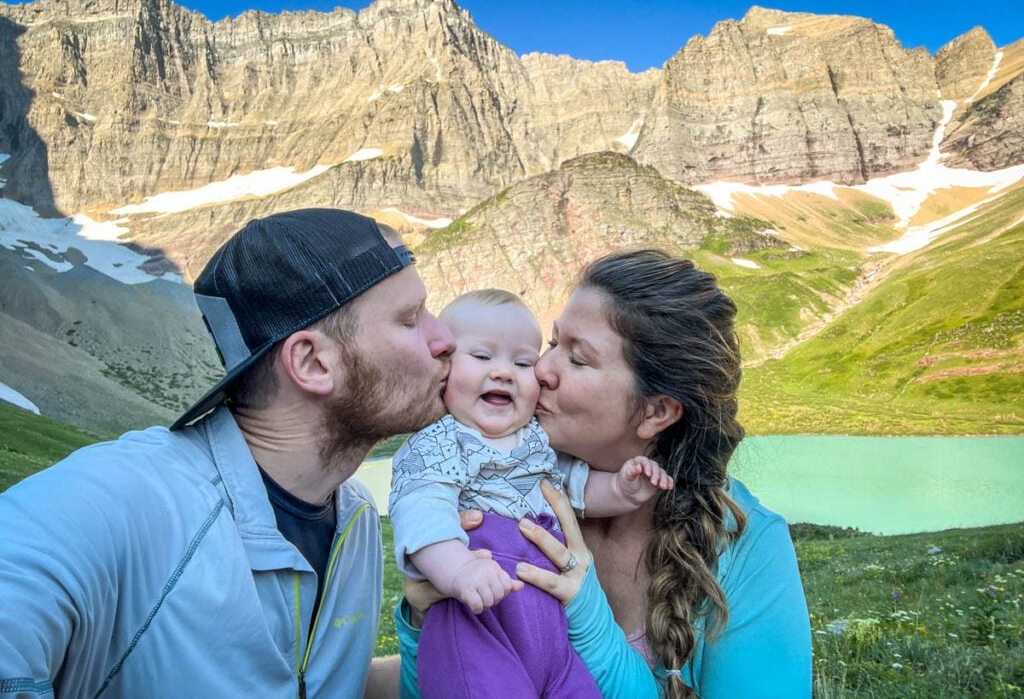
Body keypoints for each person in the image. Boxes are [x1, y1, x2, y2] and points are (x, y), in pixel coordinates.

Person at [0, 208, 456, 698]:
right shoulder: (129, 497)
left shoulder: (356, 515)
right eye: (411, 319)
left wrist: (428, 630)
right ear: (312, 362)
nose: (445, 339)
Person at [397, 250, 812, 698]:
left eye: (578, 359)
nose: (541, 370)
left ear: (656, 412)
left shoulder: (748, 547)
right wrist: (424, 623)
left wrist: (589, 621)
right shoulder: (497, 485)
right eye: (553, 344)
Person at [389, 289, 672, 698]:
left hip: (551, 638)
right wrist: (459, 571)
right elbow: (422, 514)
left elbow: (573, 492)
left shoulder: (536, 443)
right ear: (444, 370)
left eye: (523, 362)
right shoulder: (439, 443)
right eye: (482, 357)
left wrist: (622, 489)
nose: (505, 372)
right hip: (479, 621)